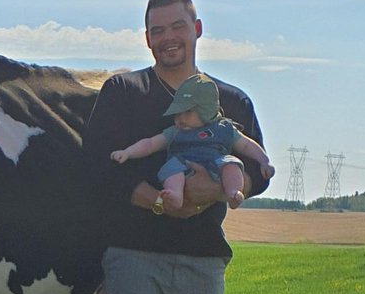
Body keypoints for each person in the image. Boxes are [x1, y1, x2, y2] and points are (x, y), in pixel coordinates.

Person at [82, 0, 271, 294]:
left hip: (203, 260)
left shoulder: (232, 103)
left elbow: (261, 170)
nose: (169, 38)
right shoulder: (123, 94)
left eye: (177, 27)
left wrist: (218, 190)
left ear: (198, 30)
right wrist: (160, 204)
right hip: (132, 256)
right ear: (147, 39)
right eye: (158, 30)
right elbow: (97, 170)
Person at [111, 72, 274, 210]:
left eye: (187, 112)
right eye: (177, 113)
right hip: (183, 163)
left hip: (216, 163)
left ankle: (233, 192)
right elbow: (150, 144)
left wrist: (264, 161)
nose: (180, 118)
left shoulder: (224, 128)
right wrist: (128, 152)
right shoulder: (175, 132)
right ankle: (175, 194)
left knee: (231, 165)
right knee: (172, 170)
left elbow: (246, 145)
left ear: (207, 110)